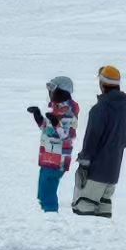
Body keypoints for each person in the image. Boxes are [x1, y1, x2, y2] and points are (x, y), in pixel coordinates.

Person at [73, 65, 126, 217]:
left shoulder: (100, 110)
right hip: (112, 174)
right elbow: (123, 140)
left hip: (95, 174)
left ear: (102, 84)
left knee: (84, 214)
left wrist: (84, 165)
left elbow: (91, 140)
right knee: (102, 222)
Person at [27, 74, 79, 212]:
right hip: (48, 158)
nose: (49, 93)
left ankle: (51, 221)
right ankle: (46, 217)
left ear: (61, 91)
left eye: (52, 89)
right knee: (42, 194)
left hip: (57, 160)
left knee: (47, 194)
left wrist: (56, 123)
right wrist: (38, 116)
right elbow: (47, 130)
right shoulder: (57, 108)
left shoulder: (69, 112)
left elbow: (67, 137)